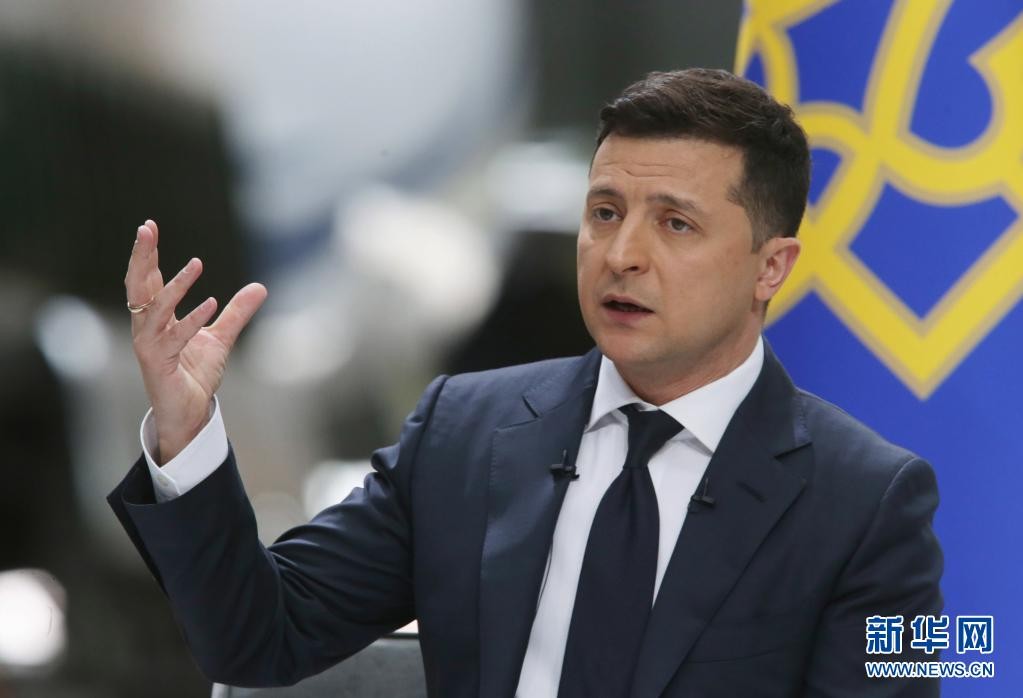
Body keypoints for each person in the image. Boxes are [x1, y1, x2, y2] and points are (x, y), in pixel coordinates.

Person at [109, 69, 943, 697]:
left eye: (675, 223)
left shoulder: (868, 505)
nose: (622, 255)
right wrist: (187, 431)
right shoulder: (463, 431)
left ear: (771, 267)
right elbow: (258, 637)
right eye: (604, 212)